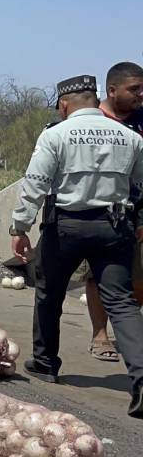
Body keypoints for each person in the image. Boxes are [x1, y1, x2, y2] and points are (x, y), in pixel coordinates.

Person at [10, 74, 143, 418]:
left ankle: (45, 362)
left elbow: (35, 183)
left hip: (66, 226)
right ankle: (141, 378)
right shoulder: (130, 137)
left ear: (64, 104)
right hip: (114, 227)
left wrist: (20, 226)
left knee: (49, 292)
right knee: (122, 303)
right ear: (95, 98)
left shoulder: (56, 134)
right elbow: (140, 184)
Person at [83, 62, 143, 361]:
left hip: (137, 211)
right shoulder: (92, 121)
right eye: (134, 89)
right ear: (112, 90)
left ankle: (132, 337)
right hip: (98, 213)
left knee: (136, 279)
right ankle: (100, 335)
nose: (140, 95)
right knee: (98, 276)